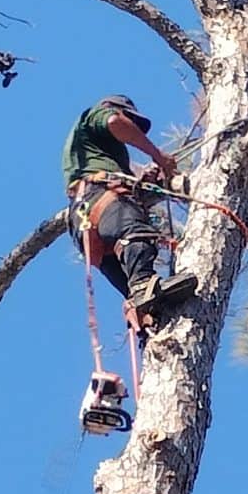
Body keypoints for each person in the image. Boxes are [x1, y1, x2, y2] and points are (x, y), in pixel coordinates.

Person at [62, 95, 198, 328]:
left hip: (88, 223)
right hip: (101, 200)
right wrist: (158, 155)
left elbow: (131, 186)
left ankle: (148, 323)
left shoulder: (103, 155)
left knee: (146, 306)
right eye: (131, 119)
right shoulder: (95, 116)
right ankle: (142, 287)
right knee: (138, 236)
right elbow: (115, 122)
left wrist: (146, 181)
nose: (133, 127)